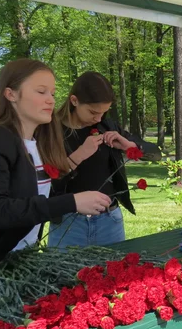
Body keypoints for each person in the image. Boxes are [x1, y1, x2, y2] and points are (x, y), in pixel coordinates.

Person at [0, 59, 112, 280]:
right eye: (41, 91)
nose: (50, 100)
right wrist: (72, 202)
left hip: (20, 262)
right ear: (11, 94)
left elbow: (42, 194)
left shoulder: (40, 142)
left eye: (52, 93)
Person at [49, 71, 161, 249]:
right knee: (63, 276)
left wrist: (129, 146)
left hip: (109, 222)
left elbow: (155, 154)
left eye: (103, 112)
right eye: (93, 112)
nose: (98, 118)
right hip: (67, 224)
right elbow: (46, 181)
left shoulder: (106, 126)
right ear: (74, 101)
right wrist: (79, 155)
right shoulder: (52, 130)